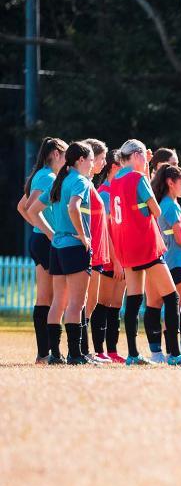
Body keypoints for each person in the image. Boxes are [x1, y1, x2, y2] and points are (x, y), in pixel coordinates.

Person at [107, 139, 181, 366]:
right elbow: (156, 209)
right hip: (146, 243)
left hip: (127, 246)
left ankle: (133, 354)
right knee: (172, 297)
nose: (145, 160)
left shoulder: (116, 180)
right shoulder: (137, 177)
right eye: (142, 155)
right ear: (136, 155)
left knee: (133, 300)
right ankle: (175, 353)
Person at [28, 141, 95, 364]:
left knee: (58, 302)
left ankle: (55, 354)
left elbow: (33, 210)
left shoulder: (60, 180)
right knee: (77, 302)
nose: (93, 165)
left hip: (56, 248)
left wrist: (52, 232)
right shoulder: (79, 181)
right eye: (91, 160)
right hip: (74, 248)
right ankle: (75, 354)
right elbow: (73, 207)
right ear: (81, 160)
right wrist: (83, 235)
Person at [17, 137, 67, 363]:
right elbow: (29, 208)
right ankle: (47, 352)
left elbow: (22, 207)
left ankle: (43, 353)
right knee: (53, 299)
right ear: (56, 154)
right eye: (65, 154)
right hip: (46, 242)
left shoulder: (41, 175)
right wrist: (48, 232)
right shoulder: (47, 176)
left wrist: (41, 230)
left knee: (46, 298)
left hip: (41, 241)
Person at [152, 165, 181, 364]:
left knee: (176, 308)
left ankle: (172, 351)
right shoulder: (171, 205)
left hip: (171, 262)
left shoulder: (165, 203)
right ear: (170, 183)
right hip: (178, 262)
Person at [80, 139, 112, 363]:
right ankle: (81, 350)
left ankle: (85, 350)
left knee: (91, 302)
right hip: (90, 249)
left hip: (98, 249)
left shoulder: (90, 182)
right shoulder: (81, 183)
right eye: (100, 159)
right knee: (85, 302)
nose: (102, 162)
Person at [94, 150, 127, 363]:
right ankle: (98, 350)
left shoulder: (119, 191)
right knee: (103, 303)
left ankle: (112, 350)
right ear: (115, 167)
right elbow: (107, 232)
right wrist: (115, 260)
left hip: (122, 258)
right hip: (109, 257)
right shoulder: (104, 192)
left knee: (116, 305)